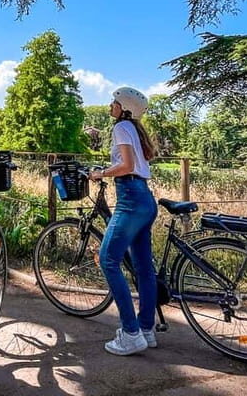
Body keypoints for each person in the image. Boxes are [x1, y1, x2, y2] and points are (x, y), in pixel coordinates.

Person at [89, 87, 158, 355]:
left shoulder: (121, 128)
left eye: (114, 102)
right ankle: (146, 329)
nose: (110, 105)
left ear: (124, 108)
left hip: (130, 197)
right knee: (143, 268)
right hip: (145, 199)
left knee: (108, 259)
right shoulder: (134, 129)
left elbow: (127, 165)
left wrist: (100, 174)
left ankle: (130, 333)